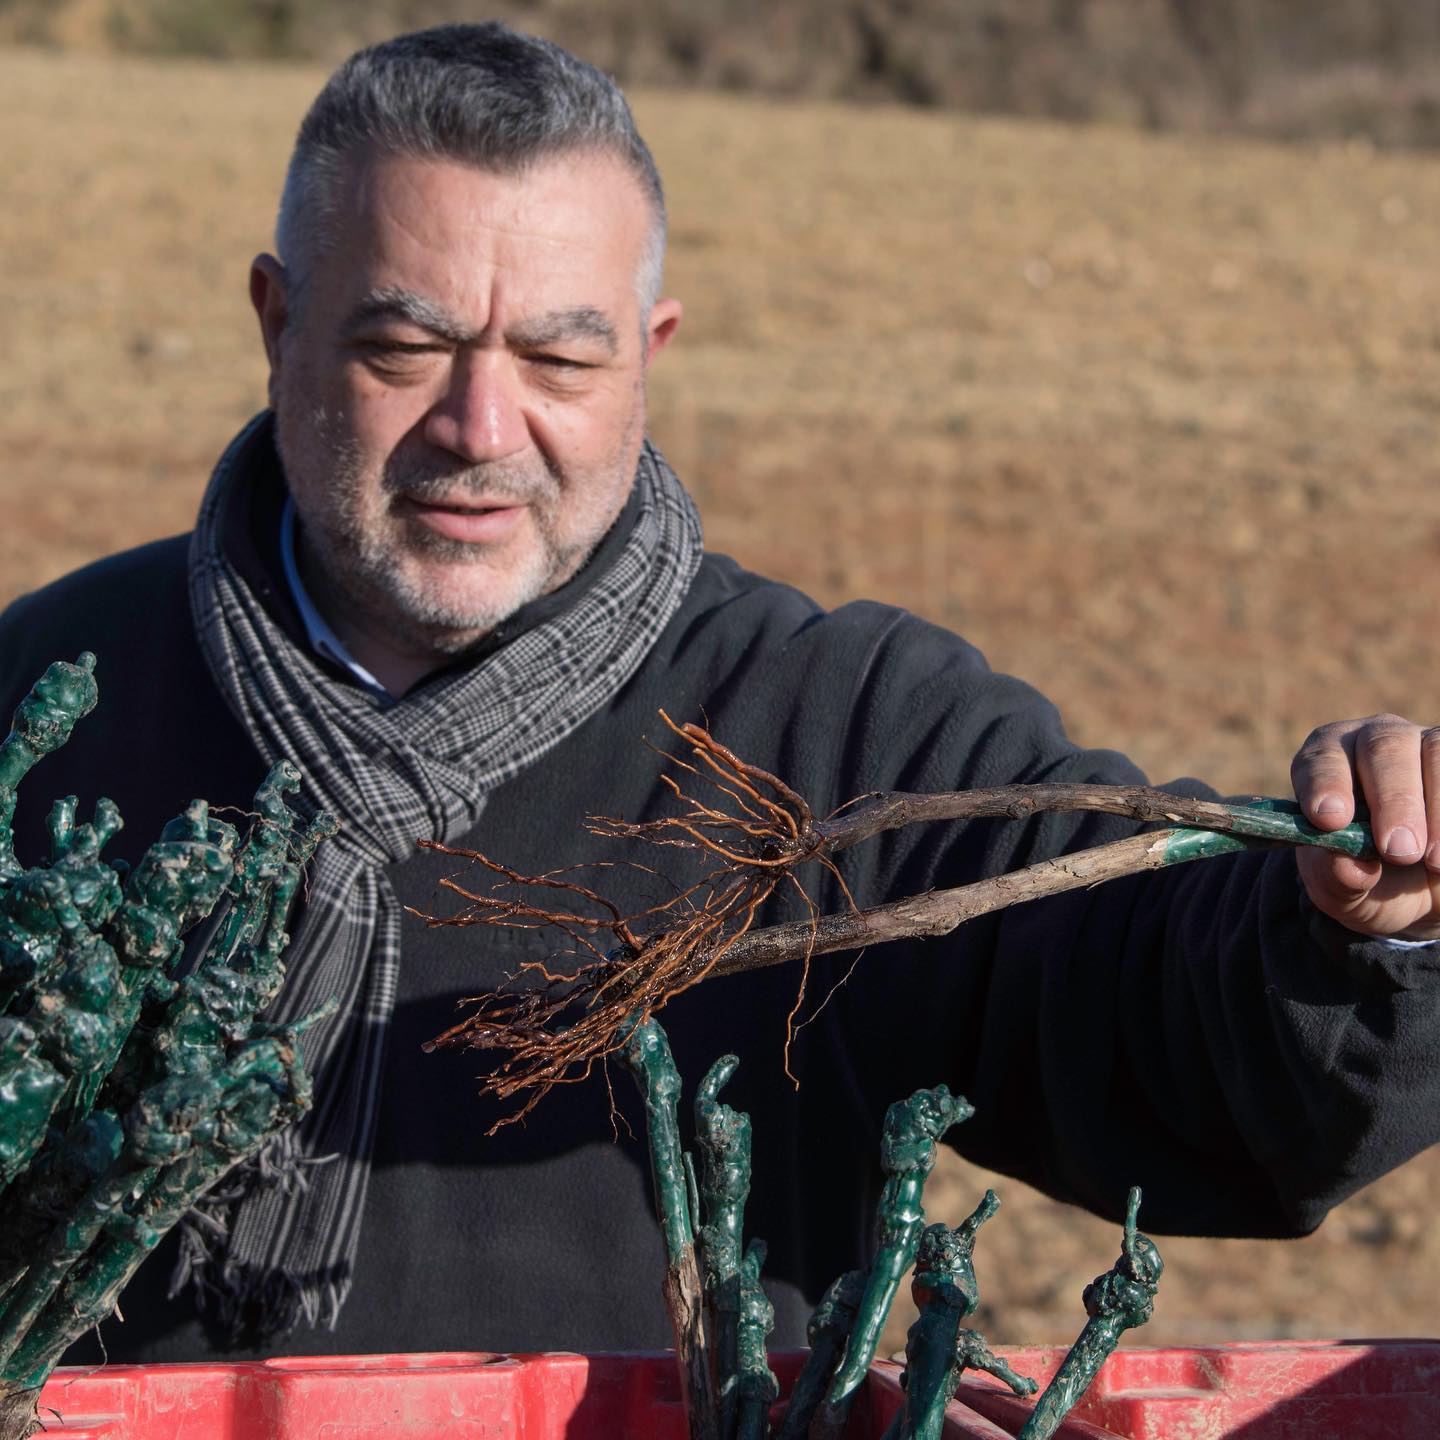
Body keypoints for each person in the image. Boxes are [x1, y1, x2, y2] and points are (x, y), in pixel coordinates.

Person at [2, 21, 1439, 1364]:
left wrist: (1359, 921)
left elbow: (1182, 1041)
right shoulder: (46, 706)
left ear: (650, 354)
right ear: (277, 322)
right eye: (405, 349)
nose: (481, 428)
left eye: (560, 358)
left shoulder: (837, 730)